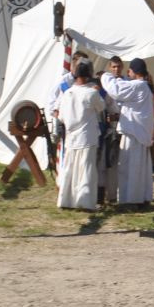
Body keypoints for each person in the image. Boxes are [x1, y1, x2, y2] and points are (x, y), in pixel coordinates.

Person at [101, 57, 154, 206]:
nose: (128, 73)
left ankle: (131, 199)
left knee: (130, 169)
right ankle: (141, 197)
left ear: (135, 71)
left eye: (130, 70)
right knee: (138, 169)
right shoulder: (144, 87)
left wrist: (105, 76)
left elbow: (116, 90)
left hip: (134, 134)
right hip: (138, 132)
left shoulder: (138, 86)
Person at [54, 61, 105, 211]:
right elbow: (101, 107)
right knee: (87, 170)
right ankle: (86, 202)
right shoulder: (92, 93)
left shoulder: (68, 93)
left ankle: (66, 200)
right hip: (87, 136)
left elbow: (61, 116)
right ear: (88, 75)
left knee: (70, 169)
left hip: (72, 136)